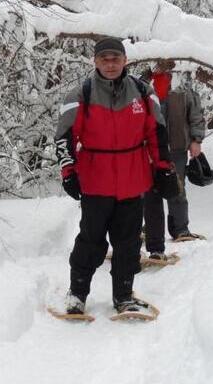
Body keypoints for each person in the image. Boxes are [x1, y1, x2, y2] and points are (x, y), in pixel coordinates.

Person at [54, 37, 174, 316]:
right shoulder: (80, 94)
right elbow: (64, 137)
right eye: (104, 59)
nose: (110, 64)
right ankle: (77, 294)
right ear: (95, 62)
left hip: (133, 181)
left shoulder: (144, 93)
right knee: (90, 240)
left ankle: (123, 295)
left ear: (125, 61)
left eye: (115, 58)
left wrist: (164, 167)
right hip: (95, 181)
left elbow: (157, 134)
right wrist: (68, 171)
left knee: (128, 242)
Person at [140, 65, 205, 259]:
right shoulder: (142, 82)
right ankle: (146, 229)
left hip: (176, 145)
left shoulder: (182, 83)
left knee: (177, 188)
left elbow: (196, 114)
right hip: (147, 147)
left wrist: (196, 140)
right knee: (146, 191)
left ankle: (180, 230)